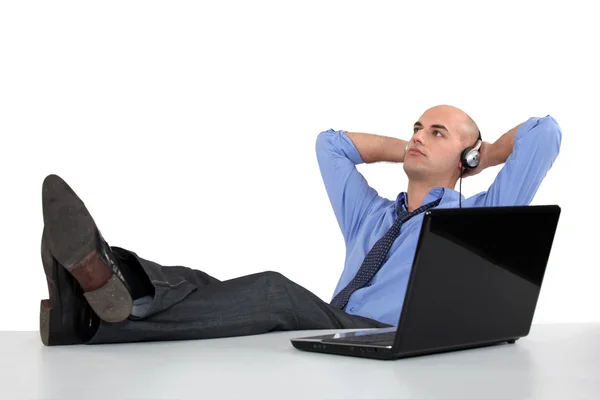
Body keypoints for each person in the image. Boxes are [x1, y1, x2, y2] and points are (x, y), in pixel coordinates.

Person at [39, 104, 562, 346]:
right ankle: (91, 296)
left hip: (388, 336)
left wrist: (484, 155)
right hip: (336, 321)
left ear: (465, 153)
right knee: (201, 284)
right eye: (416, 127)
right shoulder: (373, 213)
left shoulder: (477, 217)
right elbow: (328, 144)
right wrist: (402, 149)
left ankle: (100, 287)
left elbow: (545, 132)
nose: (419, 136)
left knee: (274, 292)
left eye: (437, 132)